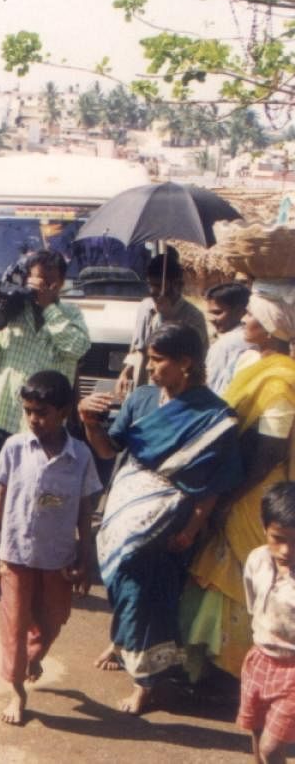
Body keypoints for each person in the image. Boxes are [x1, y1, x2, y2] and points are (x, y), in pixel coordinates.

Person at [79, 324, 242, 715]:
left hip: (170, 516)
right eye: (148, 359)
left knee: (145, 591)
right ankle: (123, 640)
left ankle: (145, 683)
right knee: (119, 581)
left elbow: (213, 485)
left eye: (157, 360)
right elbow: (106, 451)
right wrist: (87, 421)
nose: (149, 369)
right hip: (126, 507)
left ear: (185, 362)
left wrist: (191, 529)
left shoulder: (215, 416)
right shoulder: (142, 400)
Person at [183, 293, 295, 680]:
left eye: (250, 314)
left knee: (248, 570)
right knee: (220, 570)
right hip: (235, 482)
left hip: (256, 491)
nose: (243, 319)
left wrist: (231, 496)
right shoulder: (251, 361)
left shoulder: (281, 379)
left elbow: (270, 451)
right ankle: (208, 664)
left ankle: (240, 671)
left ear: (269, 328)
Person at [0, 370, 100, 725]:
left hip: (58, 557)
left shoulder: (80, 455)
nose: (34, 419)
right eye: (29, 411)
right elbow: (1, 494)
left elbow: (85, 509)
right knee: (15, 624)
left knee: (53, 620)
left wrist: (85, 556)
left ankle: (33, 657)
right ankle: (17, 691)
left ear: (64, 411)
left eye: (42, 412)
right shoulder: (16, 447)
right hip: (15, 553)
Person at [0, 249, 92, 521]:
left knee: (38, 489)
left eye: (51, 281)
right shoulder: (11, 312)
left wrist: (49, 309)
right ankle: (1, 545)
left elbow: (77, 348)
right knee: (5, 491)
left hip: (47, 422)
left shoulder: (70, 314)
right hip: (6, 414)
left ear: (61, 283)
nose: (44, 287)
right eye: (38, 280)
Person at [237, 482, 295, 764]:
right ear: (264, 527)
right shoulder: (257, 560)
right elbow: (254, 606)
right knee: (257, 732)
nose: (286, 550)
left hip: (293, 670)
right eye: (278, 538)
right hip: (260, 658)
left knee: (272, 748)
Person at [117, 248, 209, 395]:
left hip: (174, 391)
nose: (153, 291)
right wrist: (126, 372)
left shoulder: (193, 317)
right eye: (151, 284)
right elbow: (137, 347)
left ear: (178, 286)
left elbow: (190, 360)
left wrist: (166, 316)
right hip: (143, 385)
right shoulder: (145, 306)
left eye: (159, 285)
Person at [205, 281, 254, 396]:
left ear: (239, 311)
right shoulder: (254, 338)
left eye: (217, 313)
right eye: (210, 313)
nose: (211, 319)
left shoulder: (225, 345)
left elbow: (213, 389)